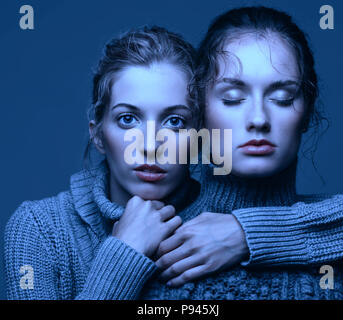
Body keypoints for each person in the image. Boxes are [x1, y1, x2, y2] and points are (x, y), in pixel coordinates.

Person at [140, 6, 343, 299]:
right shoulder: (155, 249)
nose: (258, 118)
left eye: (282, 98)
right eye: (233, 99)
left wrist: (251, 233)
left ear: (307, 112)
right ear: (199, 110)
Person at [4, 26, 202, 299]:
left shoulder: (223, 230)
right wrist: (124, 255)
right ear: (97, 134)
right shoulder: (40, 229)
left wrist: (244, 233)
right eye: (128, 119)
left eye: (175, 122)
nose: (149, 145)